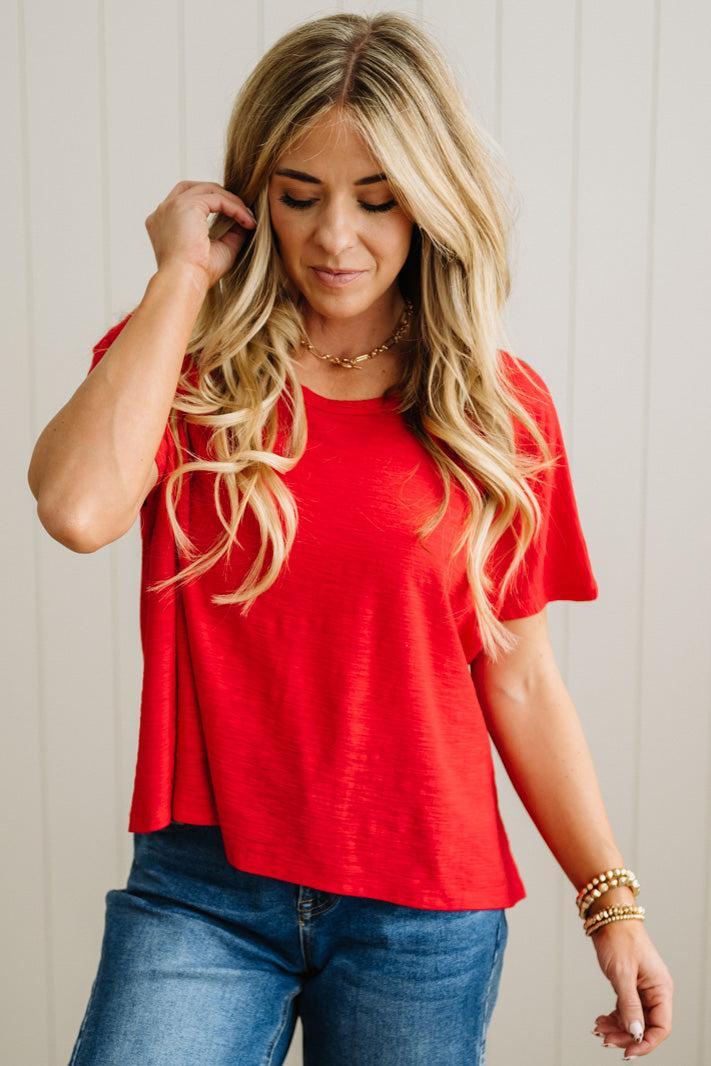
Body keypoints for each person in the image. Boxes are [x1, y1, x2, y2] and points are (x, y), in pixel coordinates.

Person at [28, 12, 673, 1066]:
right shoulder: (181, 368)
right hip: (200, 891)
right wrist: (182, 278)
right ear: (253, 196)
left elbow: (519, 677)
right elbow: (77, 509)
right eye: (299, 195)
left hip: (423, 912)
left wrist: (611, 901)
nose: (337, 237)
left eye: (378, 200)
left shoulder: (498, 411)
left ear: (432, 201)